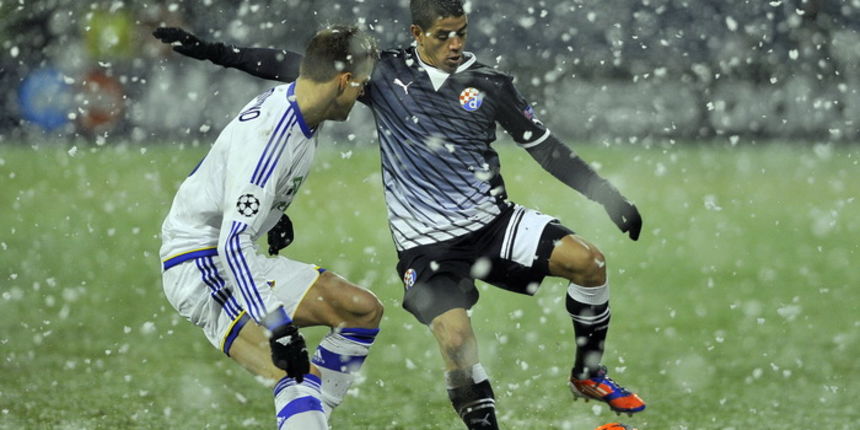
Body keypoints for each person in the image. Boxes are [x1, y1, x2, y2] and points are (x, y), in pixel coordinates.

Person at [155, 1, 646, 428]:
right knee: (454, 344)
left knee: (588, 261)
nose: (455, 44)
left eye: (461, 33)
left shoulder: (490, 84)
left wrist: (607, 196)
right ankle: (312, 404)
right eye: (443, 35)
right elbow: (295, 67)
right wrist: (215, 51)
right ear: (417, 34)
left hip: (493, 223)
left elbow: (547, 149)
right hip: (424, 246)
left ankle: (588, 373)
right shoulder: (382, 74)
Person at [157, 25, 382, 429]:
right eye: (361, 84)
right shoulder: (271, 139)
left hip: (228, 251)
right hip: (201, 265)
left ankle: (311, 418)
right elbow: (232, 243)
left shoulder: (304, 96)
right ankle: (306, 413)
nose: (363, 92)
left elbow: (273, 63)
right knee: (296, 376)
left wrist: (273, 213)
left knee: (361, 311)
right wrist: (278, 327)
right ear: (342, 81)